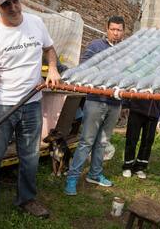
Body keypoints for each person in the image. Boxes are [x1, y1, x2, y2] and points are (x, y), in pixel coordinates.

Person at [0, 0, 61, 229]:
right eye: (5, 4)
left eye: (15, 1)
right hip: (3, 104)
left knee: (31, 155)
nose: (12, 7)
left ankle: (26, 199)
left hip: (32, 102)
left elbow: (50, 49)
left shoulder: (36, 23)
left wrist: (52, 68)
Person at [64, 16, 125, 195]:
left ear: (124, 31)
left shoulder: (126, 49)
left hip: (115, 103)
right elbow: (85, 66)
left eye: (119, 30)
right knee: (86, 141)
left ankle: (95, 174)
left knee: (103, 142)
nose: (116, 32)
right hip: (96, 101)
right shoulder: (96, 46)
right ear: (106, 29)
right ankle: (72, 179)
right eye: (113, 29)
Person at [122, 99, 160, 179]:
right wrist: (125, 105)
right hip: (136, 110)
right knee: (132, 138)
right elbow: (131, 87)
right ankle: (127, 166)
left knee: (148, 141)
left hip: (153, 115)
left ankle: (140, 167)